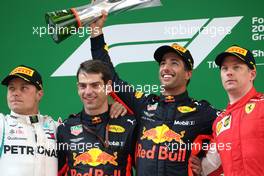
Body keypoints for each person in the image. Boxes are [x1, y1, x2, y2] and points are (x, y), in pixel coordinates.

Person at [89, 13, 220, 176]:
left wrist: (207, 166)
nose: (166, 68)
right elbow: (111, 78)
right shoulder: (143, 104)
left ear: (188, 74)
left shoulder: (202, 111)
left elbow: (235, 131)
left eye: (174, 63)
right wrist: (96, 33)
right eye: (163, 63)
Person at [57, 60, 137, 176]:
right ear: (78, 88)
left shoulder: (129, 124)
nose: (88, 92)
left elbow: (147, 167)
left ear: (108, 87)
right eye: (83, 86)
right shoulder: (65, 128)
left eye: (95, 85)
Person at [194, 45, 264, 176]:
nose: (229, 72)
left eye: (236, 67)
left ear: (252, 74)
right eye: (224, 68)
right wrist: (196, 165)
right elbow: (210, 166)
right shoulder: (220, 122)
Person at [0, 65, 57, 176]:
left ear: (39, 94)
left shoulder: (55, 127)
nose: (15, 93)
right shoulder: (2, 124)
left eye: (23, 88)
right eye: (11, 88)